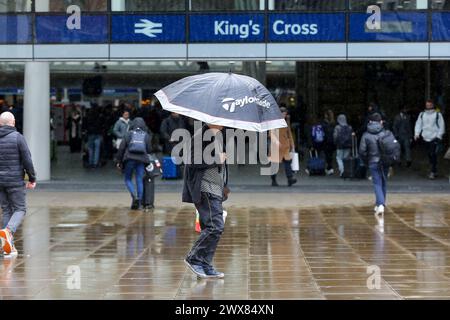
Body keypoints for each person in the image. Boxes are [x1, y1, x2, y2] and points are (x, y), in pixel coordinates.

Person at [183, 123, 228, 279]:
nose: (223, 125)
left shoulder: (215, 137)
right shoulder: (199, 137)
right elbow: (193, 162)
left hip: (214, 189)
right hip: (205, 189)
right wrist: (217, 158)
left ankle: (205, 265)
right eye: (221, 121)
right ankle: (193, 258)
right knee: (215, 227)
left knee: (211, 228)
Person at [0, 112, 36, 257]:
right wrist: (32, 178)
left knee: (7, 209)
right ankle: (8, 231)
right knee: (20, 209)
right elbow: (27, 159)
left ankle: (6, 247)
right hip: (15, 180)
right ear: (13, 122)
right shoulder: (18, 138)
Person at [116, 117, 153, 210]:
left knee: (127, 179)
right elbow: (149, 149)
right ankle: (139, 202)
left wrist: (119, 161)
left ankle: (134, 196)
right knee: (139, 180)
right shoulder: (146, 135)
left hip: (129, 159)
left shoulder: (128, 134)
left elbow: (121, 148)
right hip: (141, 160)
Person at [359, 113, 390, 216]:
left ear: (370, 122)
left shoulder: (366, 135)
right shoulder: (385, 133)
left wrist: (366, 160)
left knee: (377, 183)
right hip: (384, 161)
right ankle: (380, 203)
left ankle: (380, 204)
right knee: (383, 182)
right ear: (381, 121)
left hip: (373, 161)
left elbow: (362, 151)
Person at [414, 100, 445, 179]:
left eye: (430, 105)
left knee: (432, 154)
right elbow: (419, 124)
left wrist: (439, 136)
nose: (428, 106)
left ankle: (433, 171)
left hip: (434, 137)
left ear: (432, 105)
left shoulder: (438, 114)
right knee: (429, 154)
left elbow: (442, 126)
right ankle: (433, 169)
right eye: (427, 105)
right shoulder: (422, 114)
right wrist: (417, 134)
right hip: (425, 138)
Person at [269, 106, 297, 187]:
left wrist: (292, 144)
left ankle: (290, 179)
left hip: (285, 146)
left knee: (287, 163)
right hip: (276, 147)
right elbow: (271, 134)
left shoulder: (286, 122)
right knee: (275, 164)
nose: (285, 114)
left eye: (285, 113)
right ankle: (273, 180)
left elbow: (289, 134)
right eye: (283, 113)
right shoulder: (274, 122)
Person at [322, 109, 336, 175]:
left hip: (326, 141)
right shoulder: (334, 123)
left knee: (327, 155)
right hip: (332, 141)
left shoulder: (324, 123)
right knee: (330, 155)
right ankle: (330, 168)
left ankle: (329, 168)